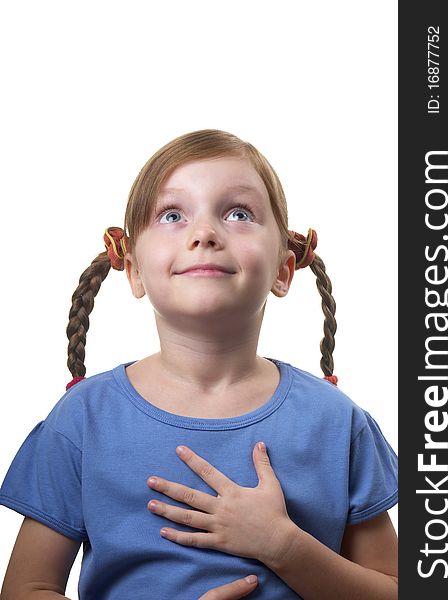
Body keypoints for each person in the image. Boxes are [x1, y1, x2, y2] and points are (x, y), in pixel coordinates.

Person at [0, 129, 398, 599]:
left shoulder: (337, 422)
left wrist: (283, 546)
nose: (205, 233)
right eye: (172, 215)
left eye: (239, 213)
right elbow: (25, 590)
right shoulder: (82, 420)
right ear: (133, 269)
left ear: (283, 269)